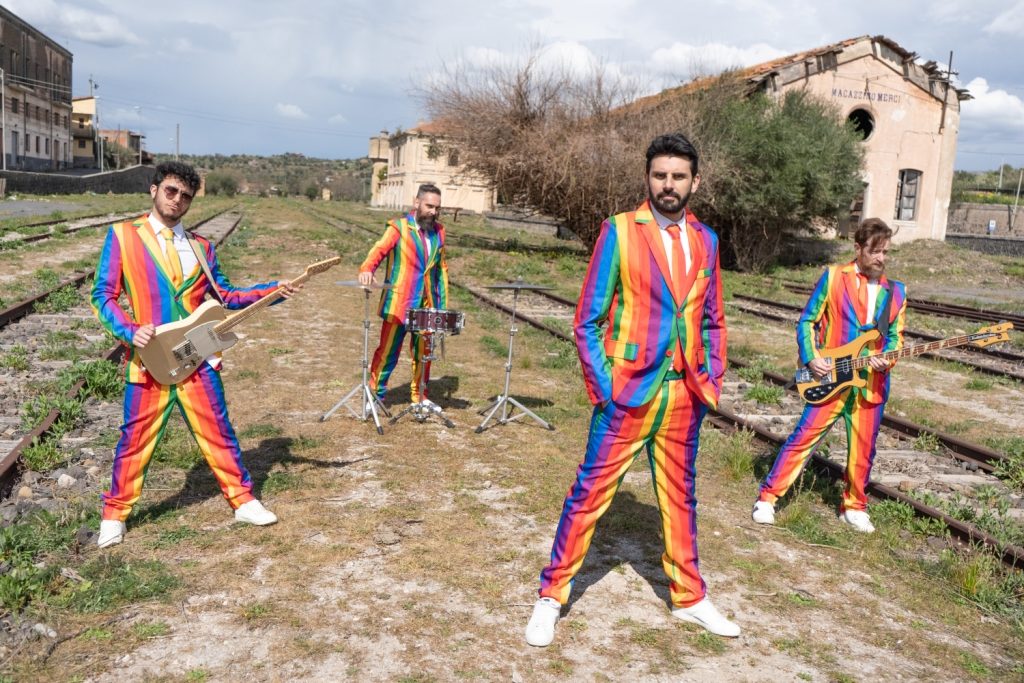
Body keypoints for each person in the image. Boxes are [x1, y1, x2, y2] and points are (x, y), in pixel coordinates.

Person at [525, 133, 739, 647]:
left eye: (678, 176)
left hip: (684, 395)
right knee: (588, 495)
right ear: (648, 178)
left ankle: (689, 598)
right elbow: (588, 319)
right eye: (660, 175)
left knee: (680, 497)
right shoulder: (618, 232)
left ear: (695, 181)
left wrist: (709, 378)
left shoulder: (706, 240)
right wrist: (605, 389)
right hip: (627, 395)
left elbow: (712, 320)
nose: (669, 185)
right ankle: (551, 596)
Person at [91, 161, 300, 548]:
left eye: (186, 196)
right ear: (154, 190)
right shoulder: (123, 236)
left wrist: (273, 291)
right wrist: (129, 331)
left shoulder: (202, 247)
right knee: (135, 438)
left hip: (199, 353)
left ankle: (243, 500)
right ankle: (114, 515)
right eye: (171, 191)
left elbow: (228, 296)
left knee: (219, 431)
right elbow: (102, 296)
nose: (178, 200)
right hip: (150, 358)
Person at [752, 218, 907, 533]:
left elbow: (895, 339)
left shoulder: (898, 292)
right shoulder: (834, 277)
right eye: (875, 251)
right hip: (831, 379)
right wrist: (812, 358)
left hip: (870, 385)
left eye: (886, 253)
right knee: (803, 439)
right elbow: (808, 321)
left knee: (864, 448)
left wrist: (885, 360)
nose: (881, 258)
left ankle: (854, 505)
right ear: (858, 248)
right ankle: (767, 498)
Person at [357, 183, 449, 408]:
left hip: (427, 303)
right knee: (388, 352)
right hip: (399, 302)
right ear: (416, 202)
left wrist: (442, 305)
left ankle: (420, 396)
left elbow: (441, 269)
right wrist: (367, 270)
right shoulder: (398, 228)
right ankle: (375, 395)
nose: (433, 212)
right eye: (429, 206)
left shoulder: (439, 232)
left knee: (424, 353)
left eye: (437, 208)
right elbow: (378, 250)